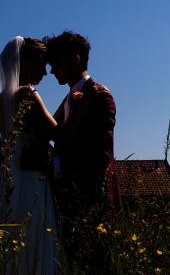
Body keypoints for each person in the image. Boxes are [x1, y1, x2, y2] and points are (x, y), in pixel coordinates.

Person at [0, 36, 60, 275]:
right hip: (31, 178)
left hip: (9, 178)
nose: (44, 71)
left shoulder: (0, 102)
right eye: (41, 64)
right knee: (33, 236)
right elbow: (56, 133)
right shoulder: (27, 94)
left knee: (11, 237)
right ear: (26, 63)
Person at [46, 30, 121, 248]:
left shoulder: (99, 96)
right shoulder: (69, 98)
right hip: (67, 200)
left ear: (75, 58)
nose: (52, 71)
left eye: (56, 63)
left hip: (89, 201)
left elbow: (101, 154)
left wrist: (84, 199)